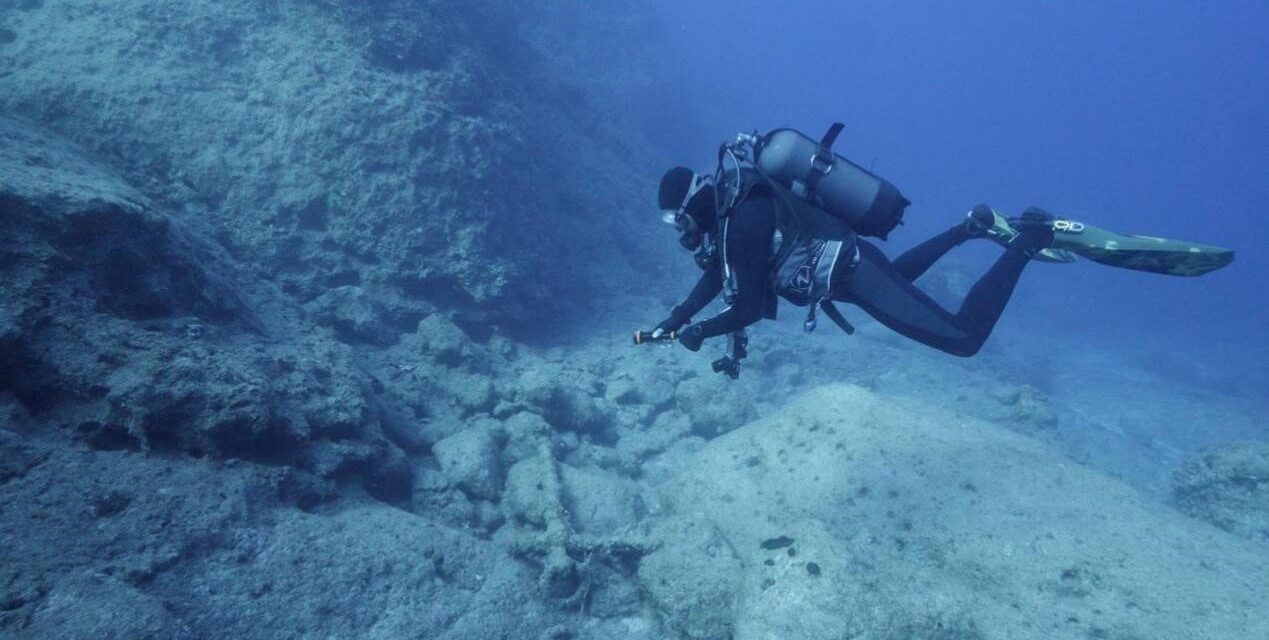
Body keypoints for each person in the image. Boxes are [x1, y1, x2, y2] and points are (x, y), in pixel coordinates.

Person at [650, 166, 1056, 360]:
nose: (678, 229)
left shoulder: (741, 222)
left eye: (675, 218)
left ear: (692, 202)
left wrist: (702, 330)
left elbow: (749, 307)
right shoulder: (733, 217)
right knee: (894, 278)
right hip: (854, 274)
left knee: (964, 339)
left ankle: (1026, 242)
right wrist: (679, 316)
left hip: (857, 275)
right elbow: (716, 274)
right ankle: (968, 229)